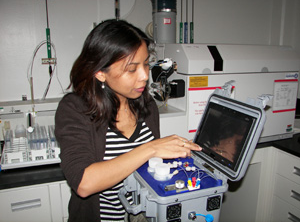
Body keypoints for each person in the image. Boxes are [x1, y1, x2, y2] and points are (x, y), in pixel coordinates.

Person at [55, 19, 202, 222]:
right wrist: (151, 148)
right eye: (131, 69)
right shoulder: (75, 109)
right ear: (100, 72)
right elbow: (83, 182)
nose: (144, 76)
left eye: (145, 65)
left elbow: (148, 170)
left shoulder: (147, 106)